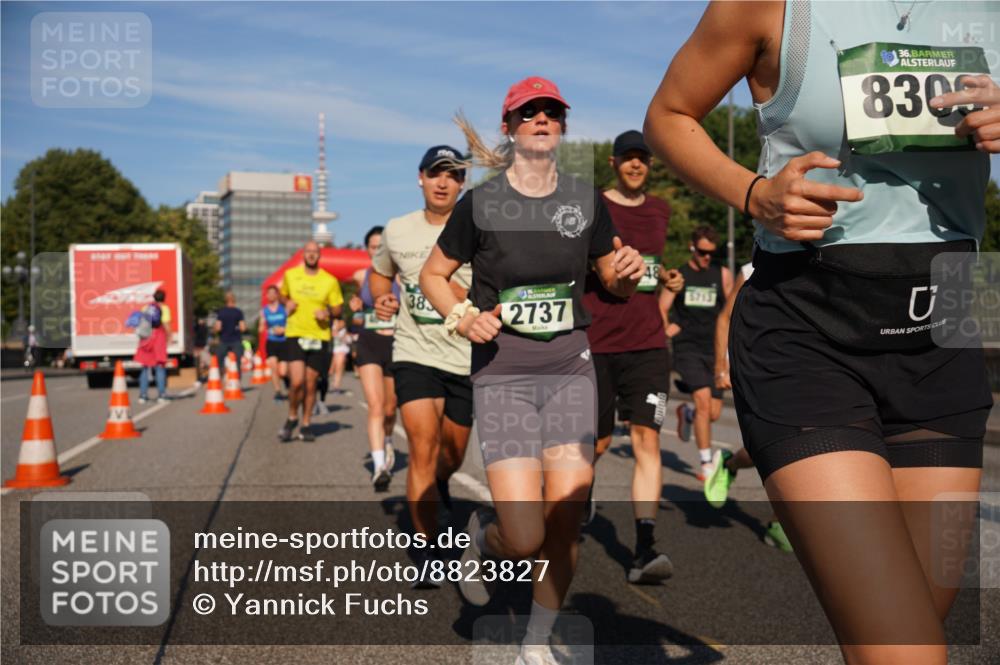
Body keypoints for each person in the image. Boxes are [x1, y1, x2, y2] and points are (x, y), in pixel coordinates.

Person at [645, 2, 996, 661]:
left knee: (914, 623)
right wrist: (755, 194)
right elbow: (667, 116)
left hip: (949, 320)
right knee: (906, 652)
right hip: (806, 329)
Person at [421, 76, 645, 665]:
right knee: (523, 536)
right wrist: (462, 318)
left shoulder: (585, 200)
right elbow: (432, 277)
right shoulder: (482, 204)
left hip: (572, 368)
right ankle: (481, 539)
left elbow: (613, 282)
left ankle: (536, 641)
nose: (542, 120)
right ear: (510, 127)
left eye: (552, 113)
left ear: (562, 127)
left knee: (565, 520)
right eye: (529, 113)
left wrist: (628, 269)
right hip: (505, 376)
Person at [582, 129, 685, 583]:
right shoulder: (592, 206)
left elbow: (655, 269)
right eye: (628, 158)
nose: (636, 165)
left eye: (642, 158)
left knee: (647, 440)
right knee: (597, 445)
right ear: (613, 162)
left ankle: (644, 549)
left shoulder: (660, 211)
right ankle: (568, 507)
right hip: (597, 343)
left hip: (647, 344)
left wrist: (670, 288)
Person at [371, 145, 474, 585]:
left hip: (466, 356)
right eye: (436, 173)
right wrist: (382, 296)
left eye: (452, 175)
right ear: (420, 178)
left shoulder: (478, 228)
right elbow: (379, 272)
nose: (443, 182)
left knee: (452, 454)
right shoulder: (398, 230)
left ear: (462, 183)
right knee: (423, 448)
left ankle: (441, 485)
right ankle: (429, 549)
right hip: (414, 353)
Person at [705, 261, 791, 552]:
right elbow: (725, 318)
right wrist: (721, 366)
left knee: (797, 445)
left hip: (804, 369)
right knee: (776, 447)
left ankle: (781, 522)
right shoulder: (752, 269)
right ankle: (730, 465)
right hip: (761, 368)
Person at [658, 226, 732, 480]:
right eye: (702, 252)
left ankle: (686, 414)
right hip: (687, 348)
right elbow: (662, 308)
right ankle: (706, 464)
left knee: (712, 413)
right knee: (702, 400)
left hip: (714, 351)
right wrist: (668, 329)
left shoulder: (722, 274)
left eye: (711, 253)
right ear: (692, 248)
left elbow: (730, 313)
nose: (706, 257)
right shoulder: (679, 275)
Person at [350, 225, 400, 491]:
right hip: (369, 342)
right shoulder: (362, 275)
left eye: (382, 246)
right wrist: (355, 304)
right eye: (373, 246)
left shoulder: (401, 276)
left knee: (391, 408)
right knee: (375, 405)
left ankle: (388, 438)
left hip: (395, 343)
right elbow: (356, 302)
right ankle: (379, 466)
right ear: (367, 249)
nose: (378, 250)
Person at [279, 240, 344, 442]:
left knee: (310, 383)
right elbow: (282, 295)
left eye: (315, 252)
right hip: (295, 333)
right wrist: (286, 302)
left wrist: (327, 312)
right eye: (308, 251)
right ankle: (291, 416)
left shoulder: (330, 280)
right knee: (296, 381)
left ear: (319, 255)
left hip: (319, 336)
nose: (311, 255)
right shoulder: (291, 275)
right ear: (303, 254)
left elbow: (338, 308)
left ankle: (306, 423)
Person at [134, 289, 171, 404]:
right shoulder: (164, 308)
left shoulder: (146, 308)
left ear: (154, 297)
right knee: (159, 367)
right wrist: (170, 338)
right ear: (164, 298)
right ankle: (161, 395)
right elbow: (166, 325)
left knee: (145, 367)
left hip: (146, 339)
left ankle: (143, 395)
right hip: (158, 338)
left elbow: (141, 323)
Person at [259, 285, 288, 400]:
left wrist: (283, 329)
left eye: (273, 293)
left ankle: (287, 380)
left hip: (284, 342)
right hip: (271, 341)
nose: (270, 295)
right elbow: (262, 327)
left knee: (283, 372)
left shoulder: (284, 309)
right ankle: (277, 391)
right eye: (268, 293)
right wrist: (263, 327)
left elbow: (291, 324)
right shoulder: (264, 311)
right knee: (273, 367)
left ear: (277, 295)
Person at [214, 292, 246, 376]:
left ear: (225, 300)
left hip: (224, 340)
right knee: (237, 361)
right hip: (236, 340)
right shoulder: (238, 312)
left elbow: (218, 327)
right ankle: (237, 380)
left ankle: (222, 375)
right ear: (234, 300)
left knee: (219, 359)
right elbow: (243, 328)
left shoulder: (221, 312)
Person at [193, 317, 209, 384]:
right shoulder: (198, 327)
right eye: (200, 320)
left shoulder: (203, 328)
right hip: (198, 347)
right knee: (199, 363)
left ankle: (202, 377)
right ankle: (199, 378)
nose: (201, 321)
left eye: (201, 320)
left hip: (201, 347)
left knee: (202, 363)